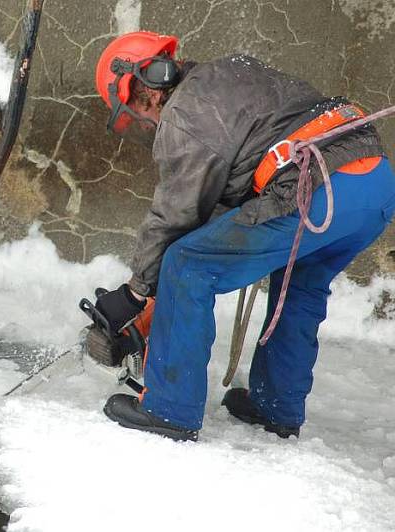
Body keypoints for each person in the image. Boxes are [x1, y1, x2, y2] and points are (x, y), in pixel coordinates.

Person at [90, 31, 395, 442]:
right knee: (300, 280)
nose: (144, 118)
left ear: (148, 79)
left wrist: (134, 294)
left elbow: (175, 217)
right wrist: (151, 310)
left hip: (313, 187)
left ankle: (169, 409)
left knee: (188, 265)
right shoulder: (228, 74)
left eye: (137, 105)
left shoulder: (186, 112)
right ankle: (278, 408)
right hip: (372, 182)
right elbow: (217, 215)